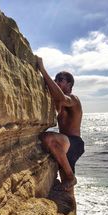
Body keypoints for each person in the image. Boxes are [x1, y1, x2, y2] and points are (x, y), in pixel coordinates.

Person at [36, 56, 84, 191]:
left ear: (69, 85)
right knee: (67, 189)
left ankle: (71, 177)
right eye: (55, 79)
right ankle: (68, 206)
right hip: (65, 146)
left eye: (60, 80)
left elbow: (61, 97)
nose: (56, 82)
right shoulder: (58, 103)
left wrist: (42, 70)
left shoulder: (73, 99)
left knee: (48, 138)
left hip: (74, 143)